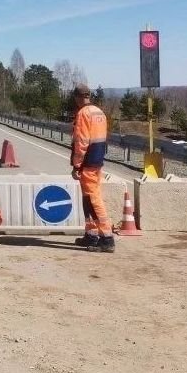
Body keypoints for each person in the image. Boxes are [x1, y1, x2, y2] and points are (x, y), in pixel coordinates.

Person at [70, 84, 115, 253]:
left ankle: (107, 238)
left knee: (93, 200)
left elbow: (81, 142)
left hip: (87, 162)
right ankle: (91, 234)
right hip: (97, 161)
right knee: (88, 199)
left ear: (77, 97)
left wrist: (77, 165)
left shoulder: (83, 113)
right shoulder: (99, 112)